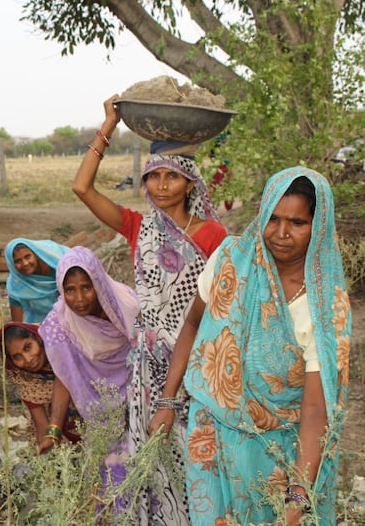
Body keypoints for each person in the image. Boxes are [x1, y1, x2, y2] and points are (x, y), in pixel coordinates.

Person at [149, 168, 351, 525]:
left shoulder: (324, 309)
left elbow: (316, 409)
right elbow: (194, 322)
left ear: (318, 227)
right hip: (208, 434)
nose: (281, 233)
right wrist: (168, 400)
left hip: (275, 452)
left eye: (297, 222)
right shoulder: (231, 260)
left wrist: (299, 491)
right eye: (272, 218)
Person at [72, 94, 227, 524]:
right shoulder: (138, 227)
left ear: (191, 182)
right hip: (146, 363)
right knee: (152, 456)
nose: (160, 186)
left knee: (194, 453)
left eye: (171, 177)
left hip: (195, 362)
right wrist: (108, 126)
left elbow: (218, 306)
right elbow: (81, 188)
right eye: (153, 176)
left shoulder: (213, 236)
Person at [39, 246, 139, 493]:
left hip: (140, 406)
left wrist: (138, 405)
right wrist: (54, 427)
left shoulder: (126, 306)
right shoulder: (60, 324)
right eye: (70, 290)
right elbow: (65, 376)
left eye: (86, 287)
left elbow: (150, 357)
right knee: (108, 482)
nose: (79, 299)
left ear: (98, 281)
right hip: (101, 416)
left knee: (146, 473)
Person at [1, 322, 81, 452]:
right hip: (62, 438)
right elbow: (41, 424)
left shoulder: (64, 350)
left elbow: (63, 379)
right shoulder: (26, 380)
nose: (27, 359)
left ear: (38, 338)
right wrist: (48, 447)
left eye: (27, 347)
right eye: (17, 356)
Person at [5, 238, 70, 323]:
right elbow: (17, 323)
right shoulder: (16, 285)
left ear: (35, 254)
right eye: (18, 261)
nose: (25, 263)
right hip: (38, 321)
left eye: (27, 257)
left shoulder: (57, 267)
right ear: (12, 265)